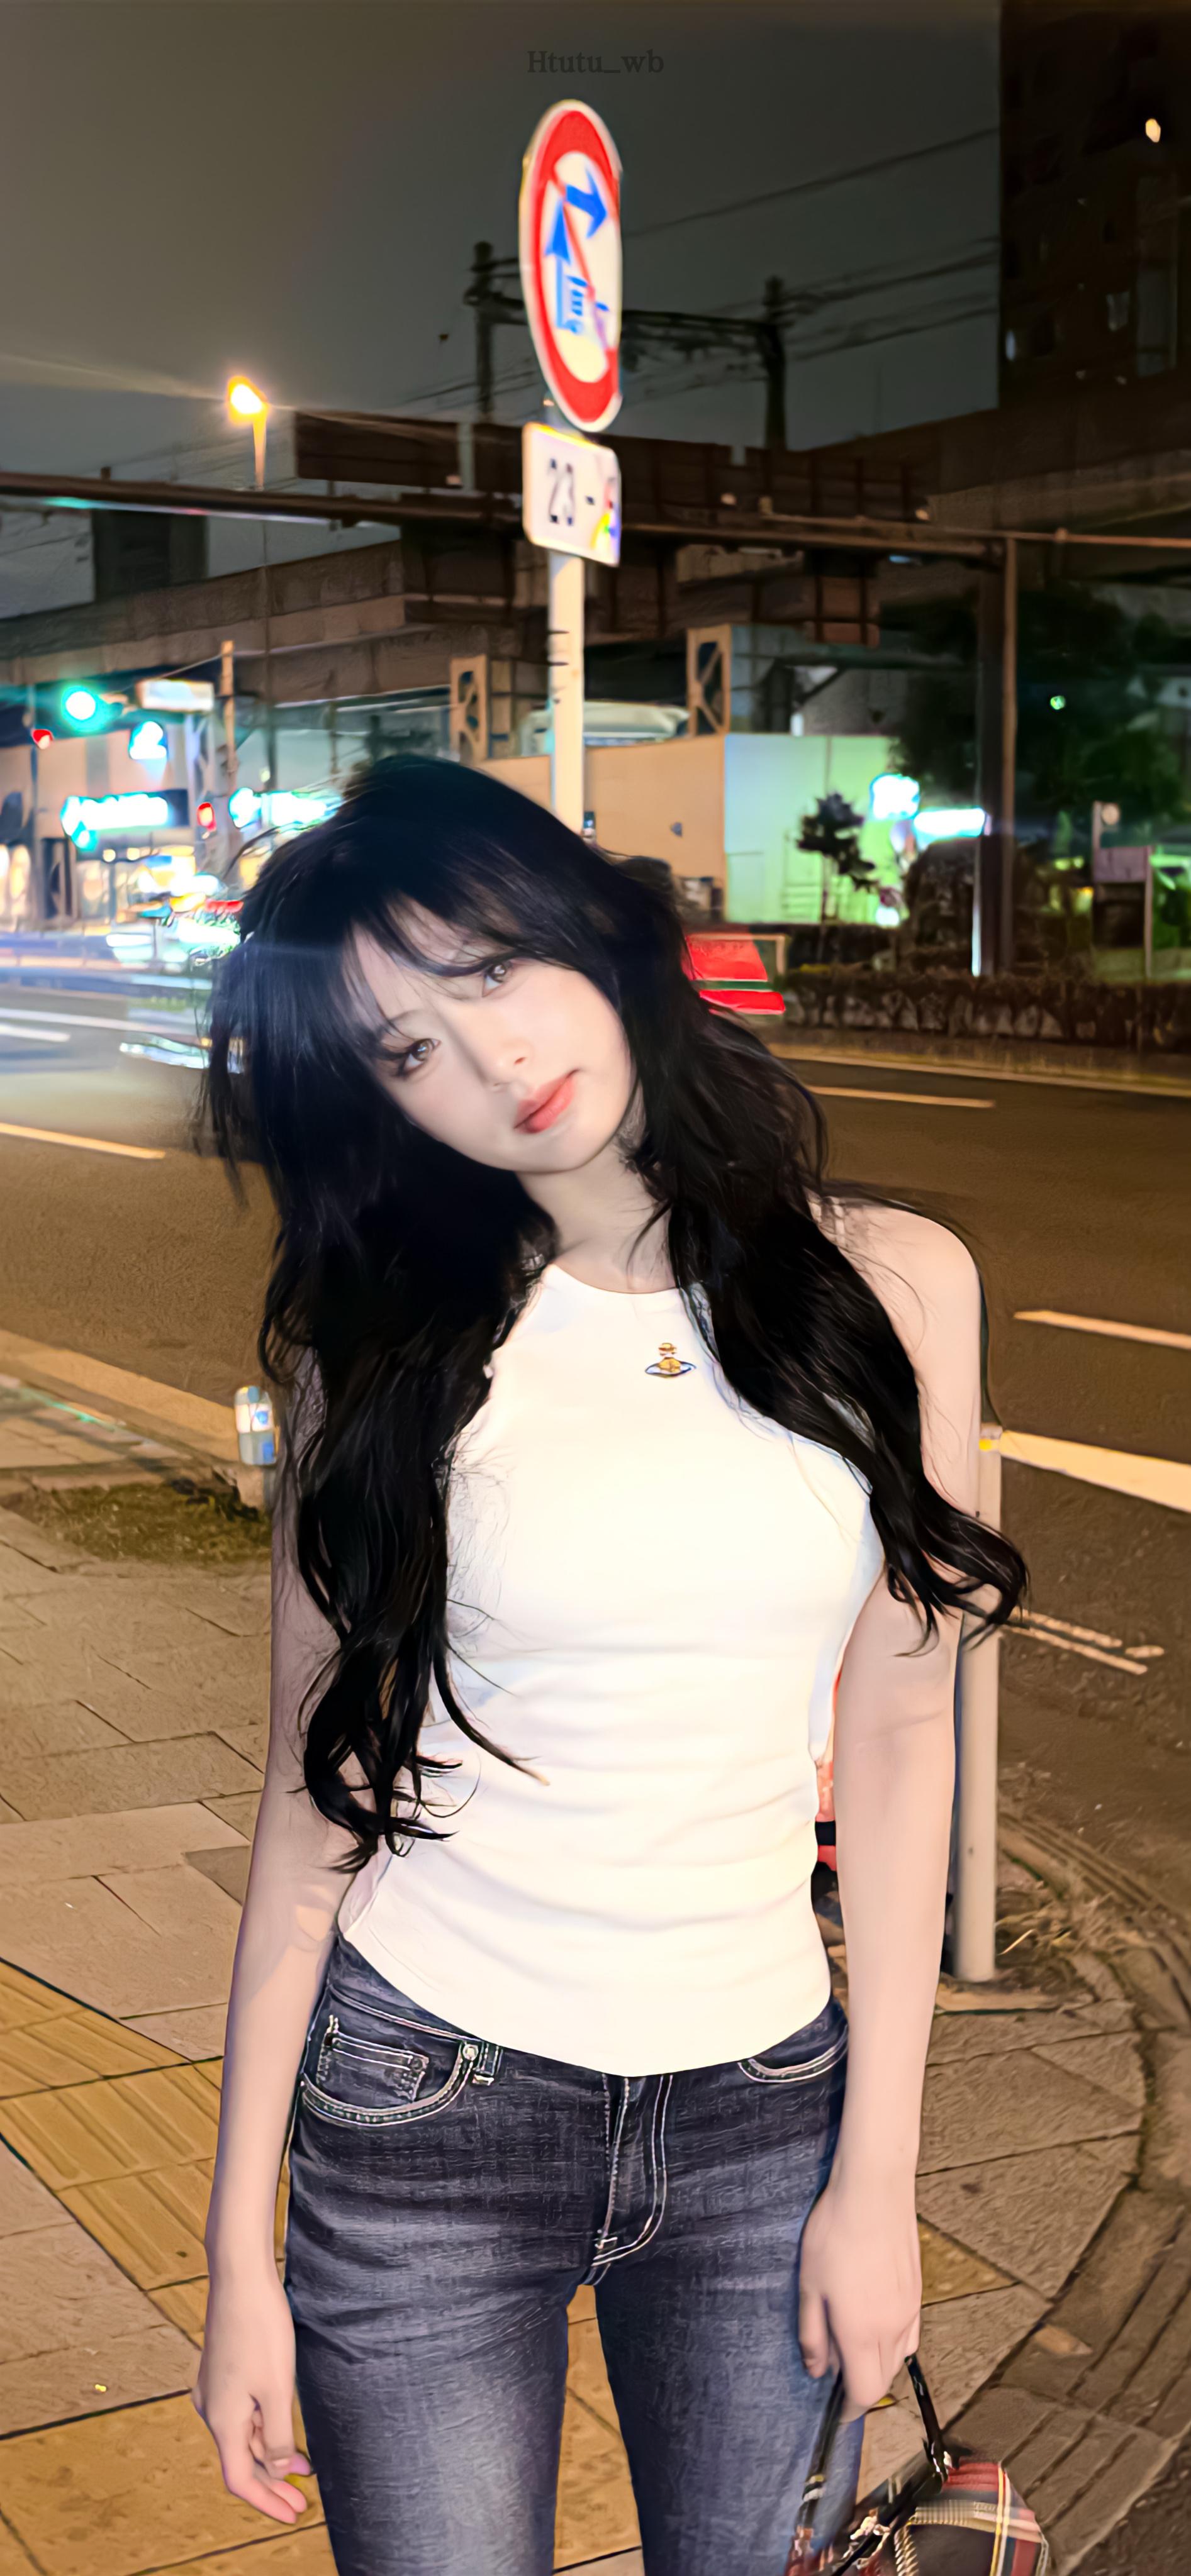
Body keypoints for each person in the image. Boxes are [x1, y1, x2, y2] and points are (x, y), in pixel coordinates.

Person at [196, 757, 1024, 2576]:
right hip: (423, 2104)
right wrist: (236, 2258)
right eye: (406, 1049)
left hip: (764, 2116)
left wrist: (879, 2179)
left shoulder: (893, 1286)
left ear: (584, 926)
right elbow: (311, 1801)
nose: (490, 1061)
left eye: (490, 967)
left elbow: (902, 1739)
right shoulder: (384, 1350)